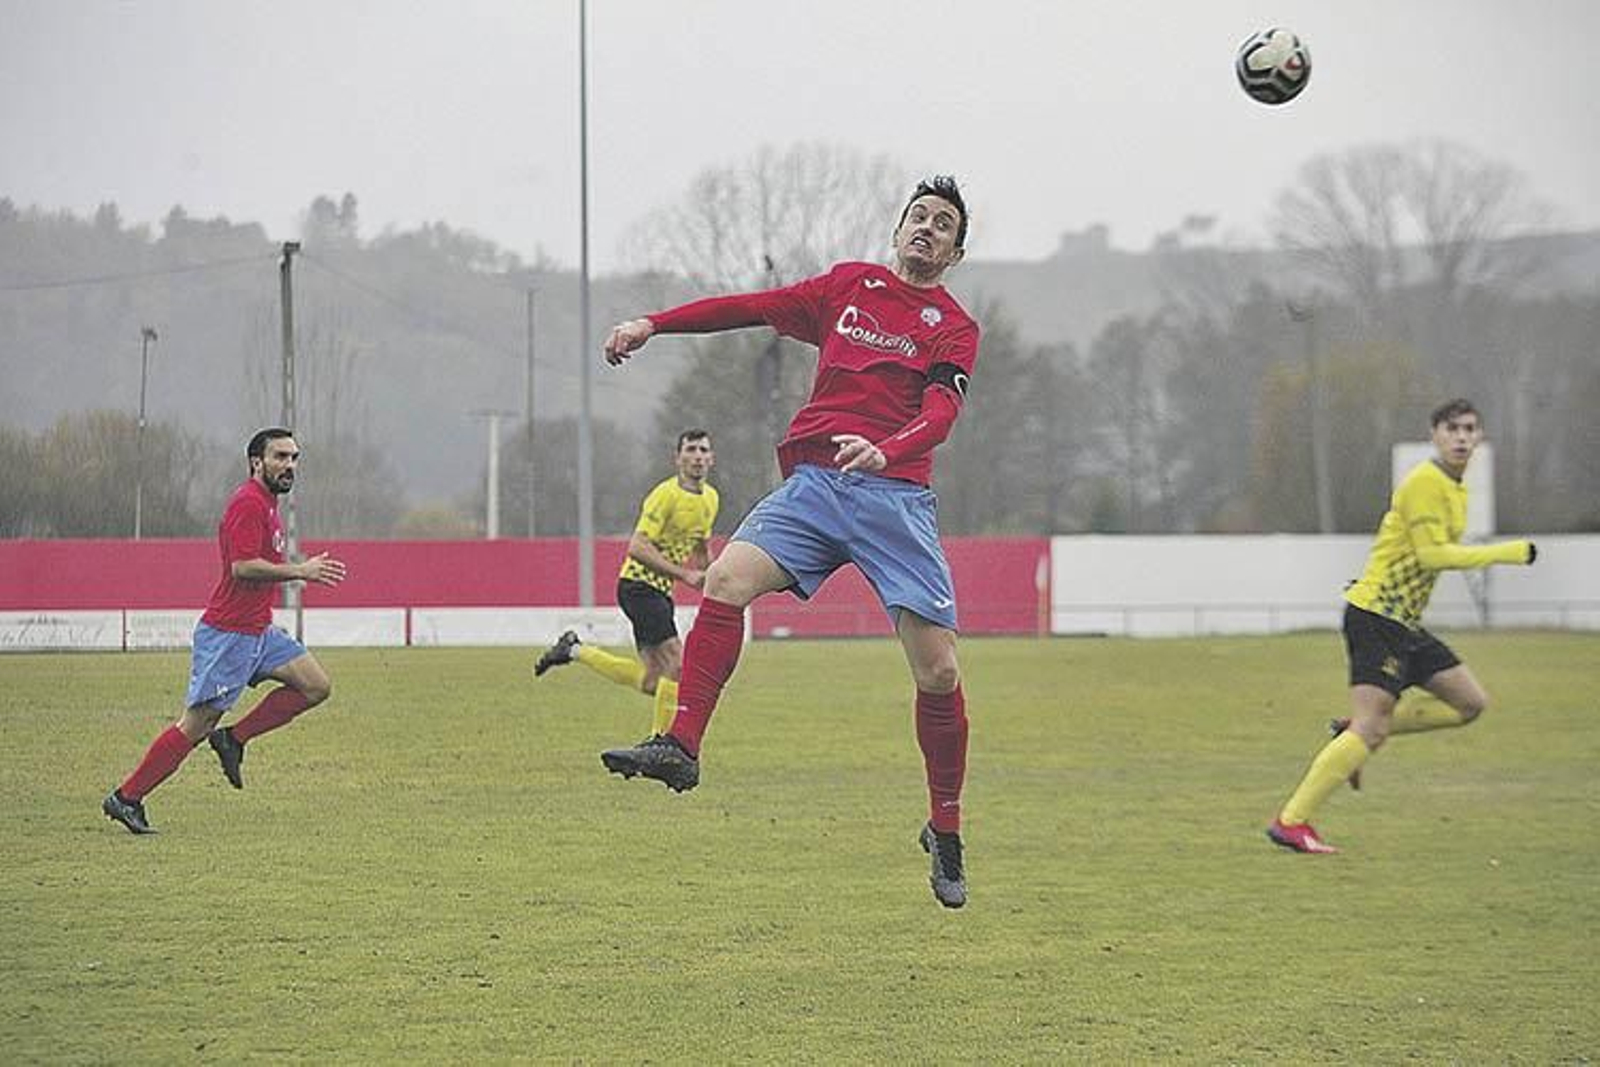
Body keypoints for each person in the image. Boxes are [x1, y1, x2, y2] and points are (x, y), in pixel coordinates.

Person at [596, 175, 981, 909]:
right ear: (898, 228)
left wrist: (889, 448)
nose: (927, 228)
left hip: (896, 498)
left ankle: (946, 825)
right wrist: (654, 322)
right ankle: (682, 744)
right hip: (817, 486)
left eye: (943, 224)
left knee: (938, 672)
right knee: (725, 580)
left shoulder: (953, 326)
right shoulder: (848, 287)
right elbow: (748, 307)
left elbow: (941, 413)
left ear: (954, 253)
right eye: (919, 216)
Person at [1267, 399, 1537, 854]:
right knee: (1372, 728)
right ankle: (1291, 822)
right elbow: (1433, 556)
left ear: (1479, 436)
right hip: (1376, 615)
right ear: (1434, 435)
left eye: (1469, 429)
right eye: (1452, 429)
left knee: (1469, 703)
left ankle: (1354, 728)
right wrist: (1507, 552)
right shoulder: (1424, 483)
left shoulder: (1457, 489)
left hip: (1405, 623)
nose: (1461, 437)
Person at [102, 428, 347, 834]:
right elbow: (242, 567)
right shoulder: (247, 503)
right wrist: (300, 571)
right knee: (196, 726)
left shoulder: (268, 504)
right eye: (280, 457)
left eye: (294, 458)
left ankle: (233, 739)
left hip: (259, 631)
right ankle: (127, 798)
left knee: (316, 686)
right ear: (256, 462)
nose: (289, 465)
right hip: (230, 634)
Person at [533, 429, 719, 739]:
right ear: (677, 458)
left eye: (703, 450)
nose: (698, 456)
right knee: (677, 662)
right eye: (691, 450)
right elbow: (637, 547)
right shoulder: (665, 495)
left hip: (659, 592)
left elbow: (700, 548)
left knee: (653, 681)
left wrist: (715, 578)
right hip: (639, 586)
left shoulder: (711, 499)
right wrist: (684, 575)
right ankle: (661, 741)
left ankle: (574, 650)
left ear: (712, 459)